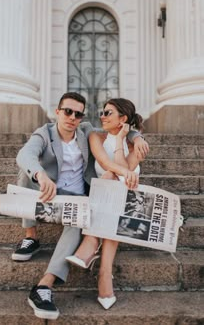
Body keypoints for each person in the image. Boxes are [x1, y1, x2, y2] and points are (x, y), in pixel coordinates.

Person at [13, 92, 149, 320]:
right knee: (26, 173)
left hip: (77, 197)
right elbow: (25, 154)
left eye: (78, 114)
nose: (72, 117)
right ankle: (31, 236)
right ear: (57, 111)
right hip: (49, 191)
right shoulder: (44, 133)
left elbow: (121, 129)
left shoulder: (86, 131)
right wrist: (41, 175)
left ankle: (44, 287)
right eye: (67, 111)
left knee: (81, 216)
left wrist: (137, 136)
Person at [65, 98, 145, 311]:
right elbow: (105, 163)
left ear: (123, 119)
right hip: (103, 195)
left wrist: (121, 141)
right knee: (110, 175)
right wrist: (122, 164)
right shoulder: (95, 136)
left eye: (108, 113)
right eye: (102, 112)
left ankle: (92, 242)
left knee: (115, 180)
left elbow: (124, 170)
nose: (101, 116)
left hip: (127, 200)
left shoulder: (137, 145)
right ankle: (104, 273)